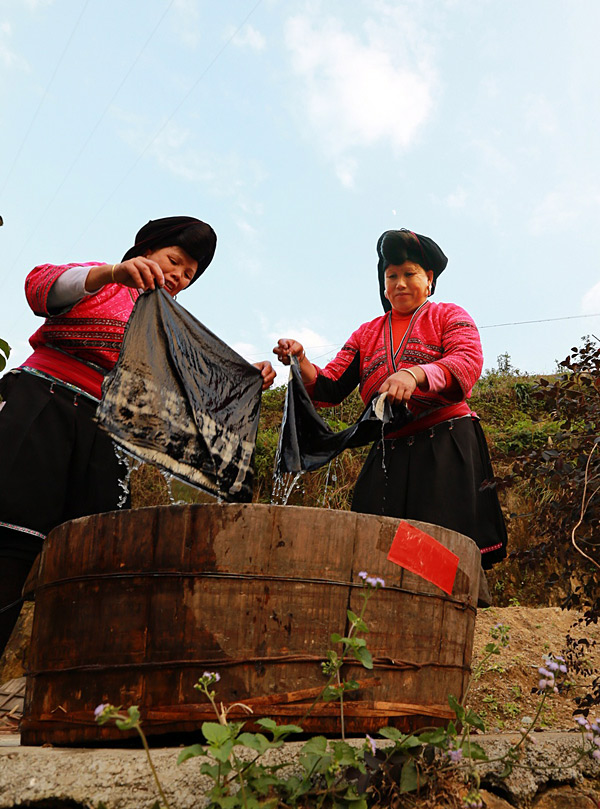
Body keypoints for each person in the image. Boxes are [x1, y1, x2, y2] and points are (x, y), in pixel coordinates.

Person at [0, 215, 276, 657]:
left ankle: (73, 704)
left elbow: (190, 389)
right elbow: (40, 286)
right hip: (43, 407)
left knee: (95, 560)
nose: (179, 277)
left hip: (104, 437)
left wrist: (245, 377)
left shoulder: (168, 326)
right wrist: (112, 272)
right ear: (144, 252)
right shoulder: (104, 282)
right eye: (174, 261)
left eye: (189, 274)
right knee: (10, 546)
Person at [274, 228, 507, 570]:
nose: (399, 283)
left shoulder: (449, 315)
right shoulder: (366, 333)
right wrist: (302, 361)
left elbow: (466, 362)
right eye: (391, 276)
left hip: (443, 442)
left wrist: (414, 374)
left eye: (409, 274)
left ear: (428, 279)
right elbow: (331, 384)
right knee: (376, 543)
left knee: (437, 550)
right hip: (389, 448)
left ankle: (446, 610)